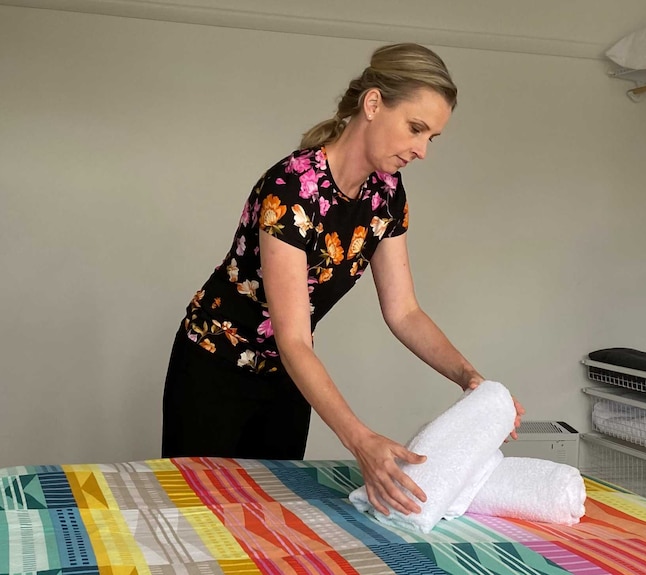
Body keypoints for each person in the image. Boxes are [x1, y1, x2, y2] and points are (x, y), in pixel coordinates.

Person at [161, 42, 524, 516]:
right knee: (194, 516)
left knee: (268, 515)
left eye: (431, 138)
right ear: (373, 104)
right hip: (213, 367)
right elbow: (292, 337)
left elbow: (405, 311)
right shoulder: (292, 188)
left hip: (290, 377)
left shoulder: (387, 194)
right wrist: (361, 440)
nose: (421, 151)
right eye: (416, 129)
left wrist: (469, 378)